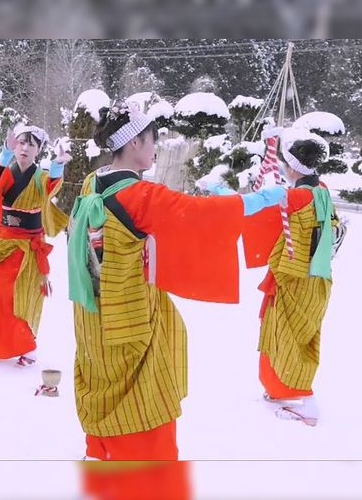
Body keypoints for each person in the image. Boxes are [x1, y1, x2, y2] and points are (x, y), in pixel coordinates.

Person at [67, 101, 286, 468]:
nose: (156, 146)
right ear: (134, 142)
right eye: (153, 138)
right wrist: (254, 202)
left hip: (93, 312)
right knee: (141, 401)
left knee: (103, 385)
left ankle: (102, 460)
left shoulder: (94, 183)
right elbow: (197, 217)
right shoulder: (139, 196)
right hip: (129, 317)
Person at [241, 127, 346, 426]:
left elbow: (262, 204)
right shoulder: (321, 190)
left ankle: (300, 399)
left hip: (296, 279)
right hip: (317, 277)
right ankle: (286, 393)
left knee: (284, 338)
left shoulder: (298, 197)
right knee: (301, 336)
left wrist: (223, 194)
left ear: (292, 167)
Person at [0, 124, 69, 366]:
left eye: (31, 144)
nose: (24, 148)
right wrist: (4, 153)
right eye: (21, 142)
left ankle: (27, 347)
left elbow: (51, 185)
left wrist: (58, 164)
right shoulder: (8, 173)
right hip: (3, 244)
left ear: (38, 150)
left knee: (19, 297)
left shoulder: (40, 177)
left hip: (28, 248)